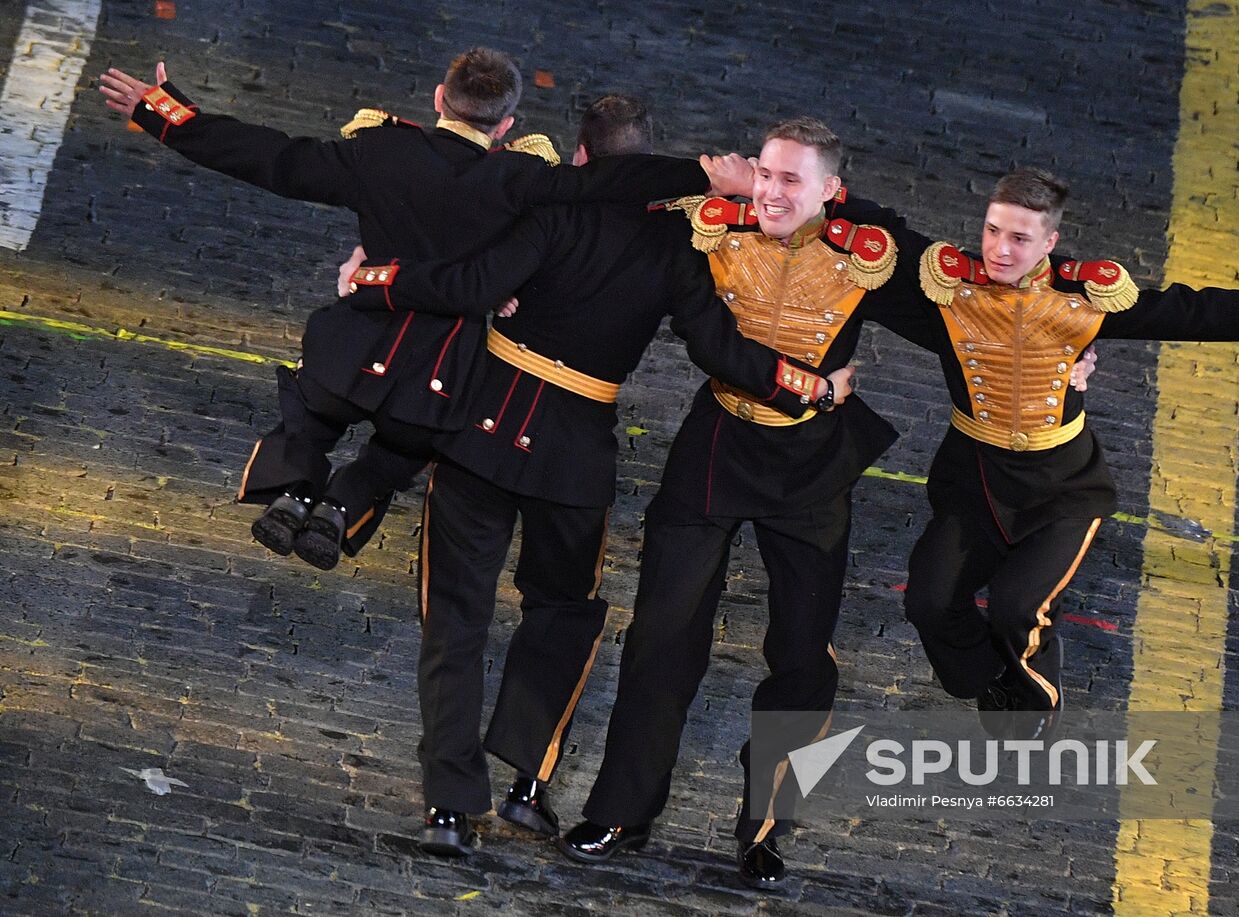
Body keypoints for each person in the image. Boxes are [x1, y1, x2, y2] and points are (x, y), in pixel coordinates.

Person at [337, 95, 848, 857]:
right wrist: (808, 385)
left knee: (454, 621)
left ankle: (448, 805)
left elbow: (463, 282)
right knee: (564, 613)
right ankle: (530, 781)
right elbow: (715, 346)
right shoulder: (679, 244)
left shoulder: (544, 213)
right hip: (573, 461)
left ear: (579, 157)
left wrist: (371, 279)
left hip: (478, 435)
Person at [98, 53, 750, 569]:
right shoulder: (519, 182)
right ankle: (343, 502)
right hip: (433, 384)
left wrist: (165, 113)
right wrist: (712, 177)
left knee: (310, 411)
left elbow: (272, 158)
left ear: (441, 99)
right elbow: (615, 179)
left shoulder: (378, 151)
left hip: (347, 356)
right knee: (394, 455)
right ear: (507, 124)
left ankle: (296, 486)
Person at [550, 117, 947, 888]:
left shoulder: (866, 253)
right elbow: (709, 341)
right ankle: (621, 810)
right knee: (662, 630)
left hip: (812, 466)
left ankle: (765, 825)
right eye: (763, 174)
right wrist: (814, 384)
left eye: (790, 179)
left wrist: (1065, 354)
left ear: (833, 192)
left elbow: (961, 300)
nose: (768, 191)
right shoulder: (711, 231)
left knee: (802, 653)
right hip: (719, 444)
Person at [901, 167, 1239, 740]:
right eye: (992, 231)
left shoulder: (1084, 301)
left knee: (1015, 609)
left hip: (1061, 492)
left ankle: (1031, 708)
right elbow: (863, 268)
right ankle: (986, 677)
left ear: (1050, 242)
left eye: (1019, 238)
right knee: (930, 602)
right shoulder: (949, 291)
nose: (1000, 250)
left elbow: (1186, 310)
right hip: (973, 484)